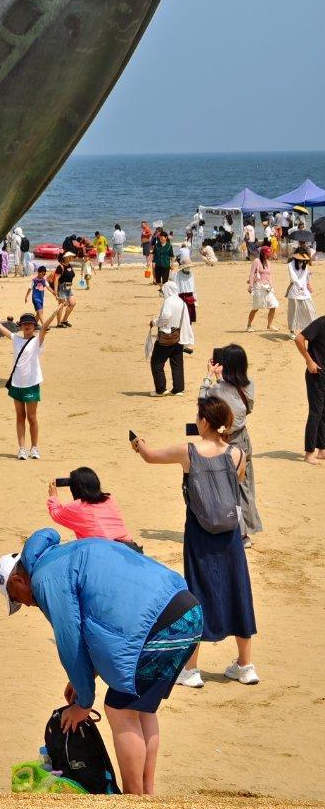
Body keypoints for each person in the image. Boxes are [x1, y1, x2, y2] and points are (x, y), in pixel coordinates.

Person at [0, 529, 201, 795]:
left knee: (119, 709)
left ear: (19, 580)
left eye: (15, 598)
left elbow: (71, 639)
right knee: (141, 708)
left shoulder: (46, 578)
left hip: (159, 625)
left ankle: (134, 799)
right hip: (188, 612)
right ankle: (147, 796)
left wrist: (83, 704)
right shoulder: (64, 553)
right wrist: (84, 679)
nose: (26, 605)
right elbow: (104, 617)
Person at [132, 397, 258, 687]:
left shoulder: (187, 451)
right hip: (230, 533)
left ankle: (192, 670)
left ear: (203, 421)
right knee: (238, 590)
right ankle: (246, 665)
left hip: (200, 533)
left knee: (198, 592)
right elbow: (235, 481)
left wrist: (139, 444)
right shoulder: (238, 453)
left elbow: (150, 456)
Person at [199, 344, 263, 549]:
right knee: (245, 486)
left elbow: (203, 405)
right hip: (243, 439)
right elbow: (245, 407)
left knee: (228, 488)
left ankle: (240, 534)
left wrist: (209, 376)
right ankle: (247, 531)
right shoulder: (250, 384)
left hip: (225, 443)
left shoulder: (217, 389)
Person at [0, 308, 56, 459]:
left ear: (34, 326)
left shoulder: (37, 340)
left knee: (32, 417)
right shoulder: (16, 339)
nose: (27, 326)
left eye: (30, 324)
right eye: (24, 324)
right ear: (20, 326)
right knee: (20, 416)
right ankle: (22, 449)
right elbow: (0, 328)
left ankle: (34, 448)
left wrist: (56, 312)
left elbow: (46, 324)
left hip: (31, 383)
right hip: (16, 384)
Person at [46, 468, 134, 543]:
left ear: (75, 488)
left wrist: (53, 497)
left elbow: (56, 514)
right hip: (129, 546)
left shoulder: (77, 506)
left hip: (102, 551)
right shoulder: (109, 499)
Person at [149, 280, 193, 396]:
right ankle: (178, 389)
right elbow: (186, 321)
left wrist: (154, 322)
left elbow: (165, 317)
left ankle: (161, 389)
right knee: (177, 364)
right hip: (178, 336)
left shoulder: (168, 301)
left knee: (156, 363)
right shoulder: (181, 302)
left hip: (166, 337)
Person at [295, 314, 325, 464]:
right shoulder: (321, 323)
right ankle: (309, 453)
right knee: (316, 412)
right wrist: (309, 361)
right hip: (316, 374)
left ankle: (322, 449)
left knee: (324, 412)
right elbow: (299, 338)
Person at [285, 247, 316, 337]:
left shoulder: (304, 264)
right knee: (293, 312)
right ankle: (292, 331)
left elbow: (305, 279)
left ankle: (311, 329)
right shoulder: (290, 264)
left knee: (310, 310)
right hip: (294, 291)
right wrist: (300, 286)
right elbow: (293, 277)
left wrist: (309, 276)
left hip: (305, 291)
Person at [246, 245, 277, 331]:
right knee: (256, 308)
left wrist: (271, 285)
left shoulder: (268, 263)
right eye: (268, 253)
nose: (269, 255)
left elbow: (269, 275)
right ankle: (249, 325)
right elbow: (252, 274)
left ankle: (269, 325)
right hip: (258, 287)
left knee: (273, 305)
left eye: (269, 253)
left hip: (267, 287)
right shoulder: (256, 261)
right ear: (263, 254)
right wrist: (251, 286)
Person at [49, 258, 76, 328]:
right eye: (69, 256)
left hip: (68, 287)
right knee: (61, 305)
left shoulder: (69, 265)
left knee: (72, 303)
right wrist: (55, 291)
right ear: (63, 258)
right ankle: (59, 323)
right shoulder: (60, 267)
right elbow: (56, 279)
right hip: (62, 287)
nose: (70, 257)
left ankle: (64, 320)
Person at [174, 248, 197, 323]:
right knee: (183, 315)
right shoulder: (178, 274)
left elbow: (193, 286)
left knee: (189, 316)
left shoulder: (191, 274)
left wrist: (195, 297)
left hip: (189, 296)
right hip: (181, 296)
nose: (188, 268)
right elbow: (176, 285)